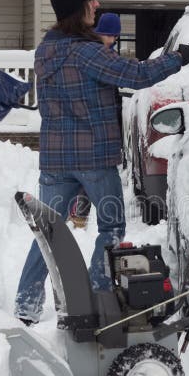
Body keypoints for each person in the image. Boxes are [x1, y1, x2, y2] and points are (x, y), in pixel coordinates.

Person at [16, 0, 189, 325]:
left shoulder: (46, 50)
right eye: (91, 0)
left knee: (48, 234)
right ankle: (99, 297)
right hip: (94, 159)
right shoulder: (85, 53)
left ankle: (25, 309)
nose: (97, 5)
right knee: (110, 229)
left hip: (55, 159)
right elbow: (138, 75)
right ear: (76, 7)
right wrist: (185, 55)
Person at [68, 12, 122, 229]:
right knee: (87, 171)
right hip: (89, 124)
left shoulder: (108, 54)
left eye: (114, 36)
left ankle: (80, 213)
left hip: (103, 127)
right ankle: (78, 212)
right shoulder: (93, 54)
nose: (111, 40)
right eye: (107, 35)